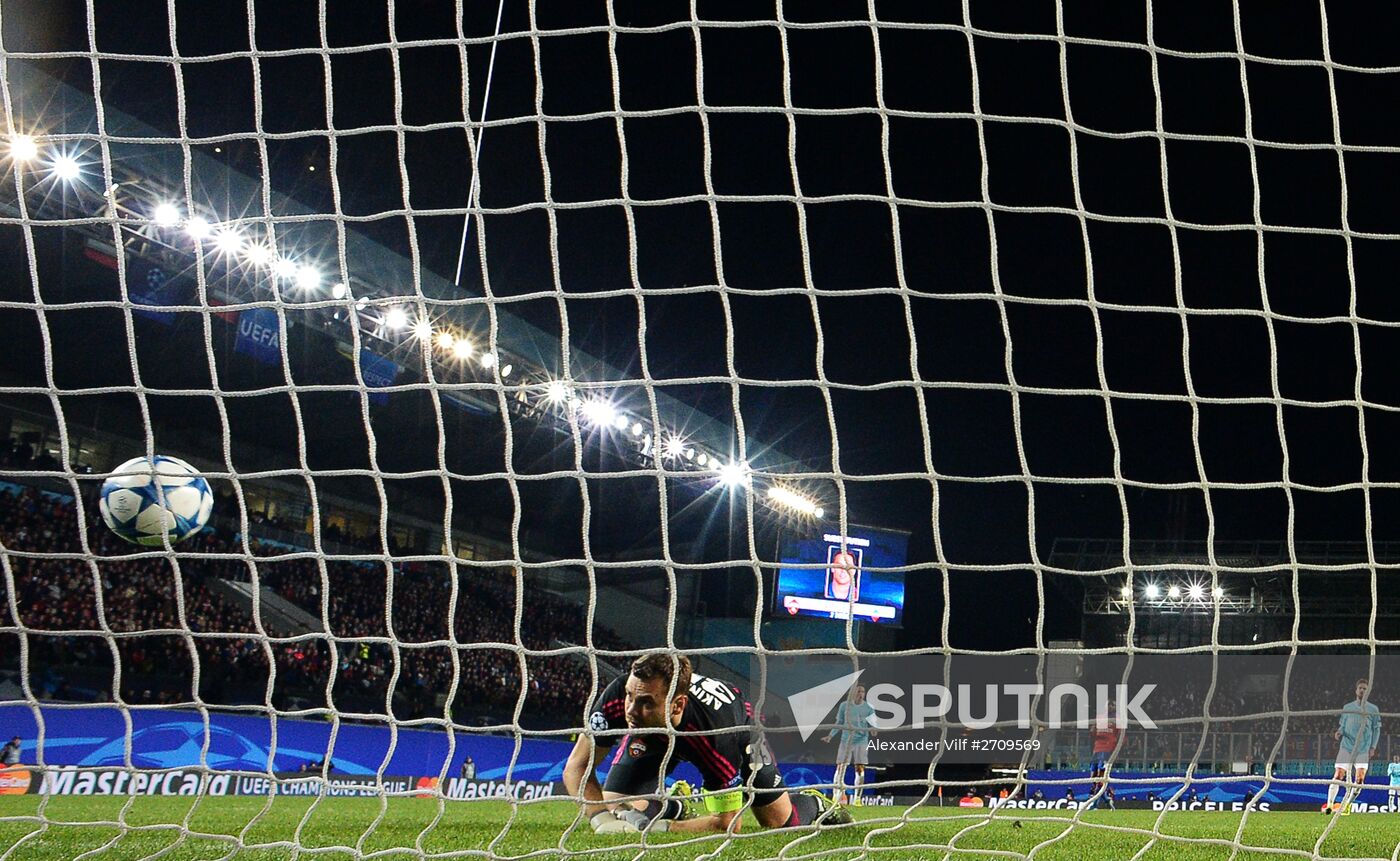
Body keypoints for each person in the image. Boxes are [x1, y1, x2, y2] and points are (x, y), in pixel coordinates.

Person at [563, 653, 853, 834]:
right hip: (654, 736)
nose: (630, 710)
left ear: (677, 705)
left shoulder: (716, 733)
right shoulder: (619, 698)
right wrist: (601, 818)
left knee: (779, 825)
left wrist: (658, 830)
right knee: (615, 807)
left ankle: (814, 803)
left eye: (645, 703)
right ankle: (674, 804)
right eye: (630, 696)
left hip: (742, 733)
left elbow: (728, 825)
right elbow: (576, 766)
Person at [1325, 678, 1381, 814]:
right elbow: (1343, 726)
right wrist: (1339, 732)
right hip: (1347, 746)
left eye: (1365, 689)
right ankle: (1330, 804)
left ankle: (1346, 805)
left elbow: (1376, 729)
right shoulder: (1348, 707)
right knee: (1338, 775)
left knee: (1360, 779)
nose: (1362, 690)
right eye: (1360, 688)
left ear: (1368, 691)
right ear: (1356, 690)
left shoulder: (1373, 709)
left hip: (1363, 748)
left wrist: (1373, 747)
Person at [823, 684, 875, 806]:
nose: (861, 694)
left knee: (860, 768)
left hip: (861, 741)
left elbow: (873, 724)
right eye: (858, 691)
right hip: (846, 741)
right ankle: (836, 796)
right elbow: (839, 722)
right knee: (840, 768)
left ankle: (857, 798)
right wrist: (830, 735)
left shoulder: (868, 708)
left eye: (863, 691)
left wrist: (873, 729)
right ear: (852, 693)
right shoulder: (844, 706)